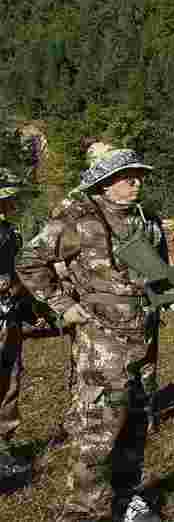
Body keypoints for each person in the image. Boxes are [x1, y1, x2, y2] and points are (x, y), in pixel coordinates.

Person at [18, 139, 163, 522]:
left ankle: (126, 497)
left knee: (135, 422)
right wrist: (63, 305)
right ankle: (85, 510)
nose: (137, 184)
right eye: (128, 177)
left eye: (139, 177)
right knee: (98, 430)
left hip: (141, 335)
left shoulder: (141, 219)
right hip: (101, 343)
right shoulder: (80, 218)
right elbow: (29, 260)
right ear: (106, 182)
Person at [0, 168, 31, 481]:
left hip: (9, 316)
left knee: (9, 380)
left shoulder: (10, 232)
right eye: (8, 197)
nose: (13, 203)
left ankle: (3, 446)